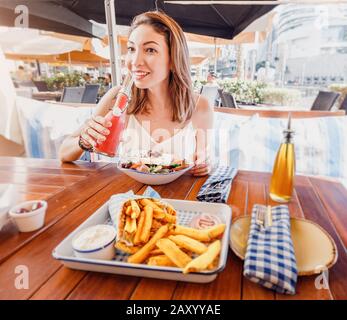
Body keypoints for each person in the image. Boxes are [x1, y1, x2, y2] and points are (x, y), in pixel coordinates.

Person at [59, 11, 213, 176]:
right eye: (131, 49)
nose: (135, 61)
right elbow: (64, 153)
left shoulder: (200, 106)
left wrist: (204, 164)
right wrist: (84, 141)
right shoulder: (117, 98)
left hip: (178, 198)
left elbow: (203, 157)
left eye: (150, 50)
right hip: (125, 197)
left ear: (173, 59)